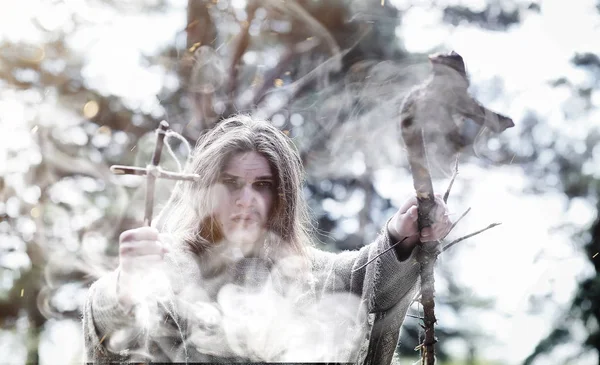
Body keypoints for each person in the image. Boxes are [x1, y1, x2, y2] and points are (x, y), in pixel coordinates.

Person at [83, 115, 452, 364]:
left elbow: (365, 280)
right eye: (231, 183)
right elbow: (111, 324)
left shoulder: (306, 272)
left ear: (282, 197)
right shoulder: (170, 264)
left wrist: (400, 235)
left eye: (262, 185)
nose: (246, 199)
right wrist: (126, 286)